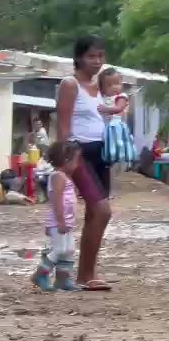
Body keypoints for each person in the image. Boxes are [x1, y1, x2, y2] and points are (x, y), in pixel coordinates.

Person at [55, 35, 120, 291]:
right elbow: (63, 125)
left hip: (100, 154)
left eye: (101, 56)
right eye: (91, 56)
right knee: (103, 211)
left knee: (94, 214)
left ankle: (87, 274)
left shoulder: (98, 87)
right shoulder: (70, 84)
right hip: (78, 153)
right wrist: (65, 163)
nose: (97, 61)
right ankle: (84, 276)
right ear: (79, 57)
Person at [32, 141, 81, 292]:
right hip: (59, 222)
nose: (77, 164)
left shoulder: (63, 176)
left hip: (65, 221)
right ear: (66, 160)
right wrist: (60, 221)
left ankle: (62, 279)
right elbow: (57, 200)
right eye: (76, 160)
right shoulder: (58, 176)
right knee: (60, 249)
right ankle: (40, 274)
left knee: (69, 249)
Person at [98, 67, 137, 166]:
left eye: (117, 83)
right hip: (106, 126)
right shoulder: (103, 97)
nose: (114, 87)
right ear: (102, 88)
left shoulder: (121, 96)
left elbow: (119, 108)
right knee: (106, 145)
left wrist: (106, 110)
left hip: (116, 126)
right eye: (109, 85)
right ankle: (108, 159)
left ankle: (118, 158)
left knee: (117, 144)